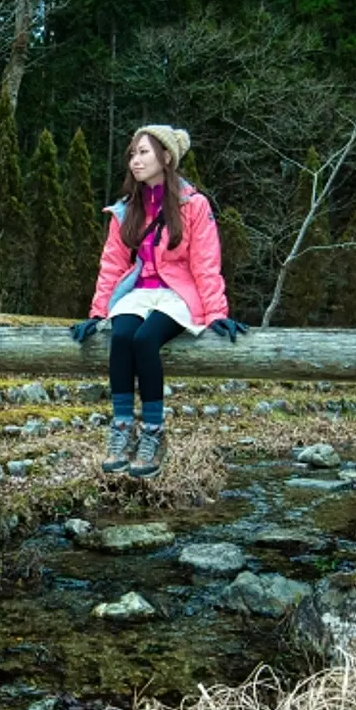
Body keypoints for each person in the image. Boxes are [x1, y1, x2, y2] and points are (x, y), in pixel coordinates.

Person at [71, 125, 248, 477]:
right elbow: (112, 264)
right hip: (138, 291)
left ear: (166, 157)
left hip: (178, 293)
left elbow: (206, 261)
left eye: (144, 153)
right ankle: (122, 428)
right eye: (132, 154)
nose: (135, 161)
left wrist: (216, 312)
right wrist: (97, 310)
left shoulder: (194, 206)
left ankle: (153, 432)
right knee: (121, 336)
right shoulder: (125, 210)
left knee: (145, 339)